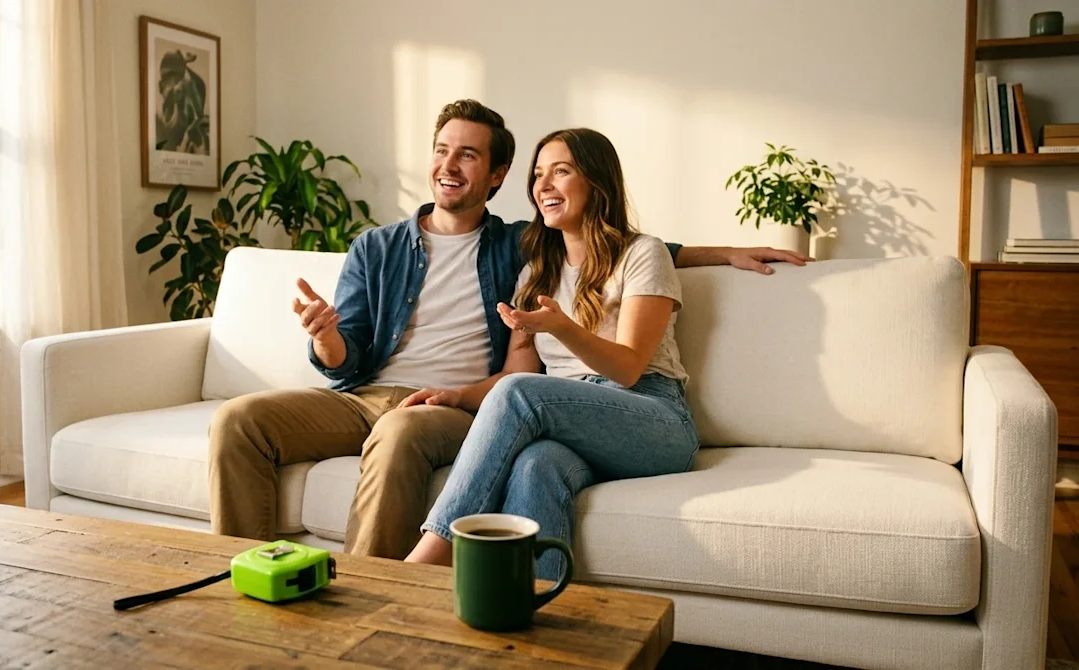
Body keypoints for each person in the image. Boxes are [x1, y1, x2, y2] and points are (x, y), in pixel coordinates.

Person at [207, 100, 810, 557]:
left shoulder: (528, 247)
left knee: (446, 419)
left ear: (495, 176)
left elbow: (629, 277)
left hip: (608, 406)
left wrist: (725, 251)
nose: (450, 165)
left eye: (469, 154)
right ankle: (537, 610)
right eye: (443, 149)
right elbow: (356, 355)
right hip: (385, 395)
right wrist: (326, 339)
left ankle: (401, 577)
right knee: (240, 420)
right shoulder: (508, 261)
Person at [405, 127, 699, 580]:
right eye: (538, 174)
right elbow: (514, 375)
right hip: (569, 422)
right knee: (535, 465)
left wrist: (563, 328)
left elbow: (628, 367)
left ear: (596, 182)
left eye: (560, 172)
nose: (543, 186)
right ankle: (535, 614)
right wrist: (460, 395)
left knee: (525, 394)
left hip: (654, 417)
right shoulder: (536, 274)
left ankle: (431, 554)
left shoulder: (643, 254)